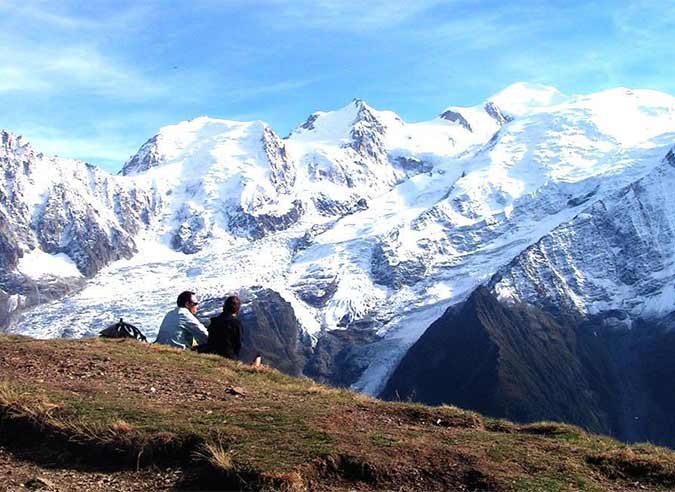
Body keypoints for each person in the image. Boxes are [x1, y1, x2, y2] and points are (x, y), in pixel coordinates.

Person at [196, 295, 243, 359]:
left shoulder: (214, 321)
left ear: (224, 307)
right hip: (228, 355)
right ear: (237, 310)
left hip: (212, 351)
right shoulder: (236, 324)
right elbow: (238, 344)